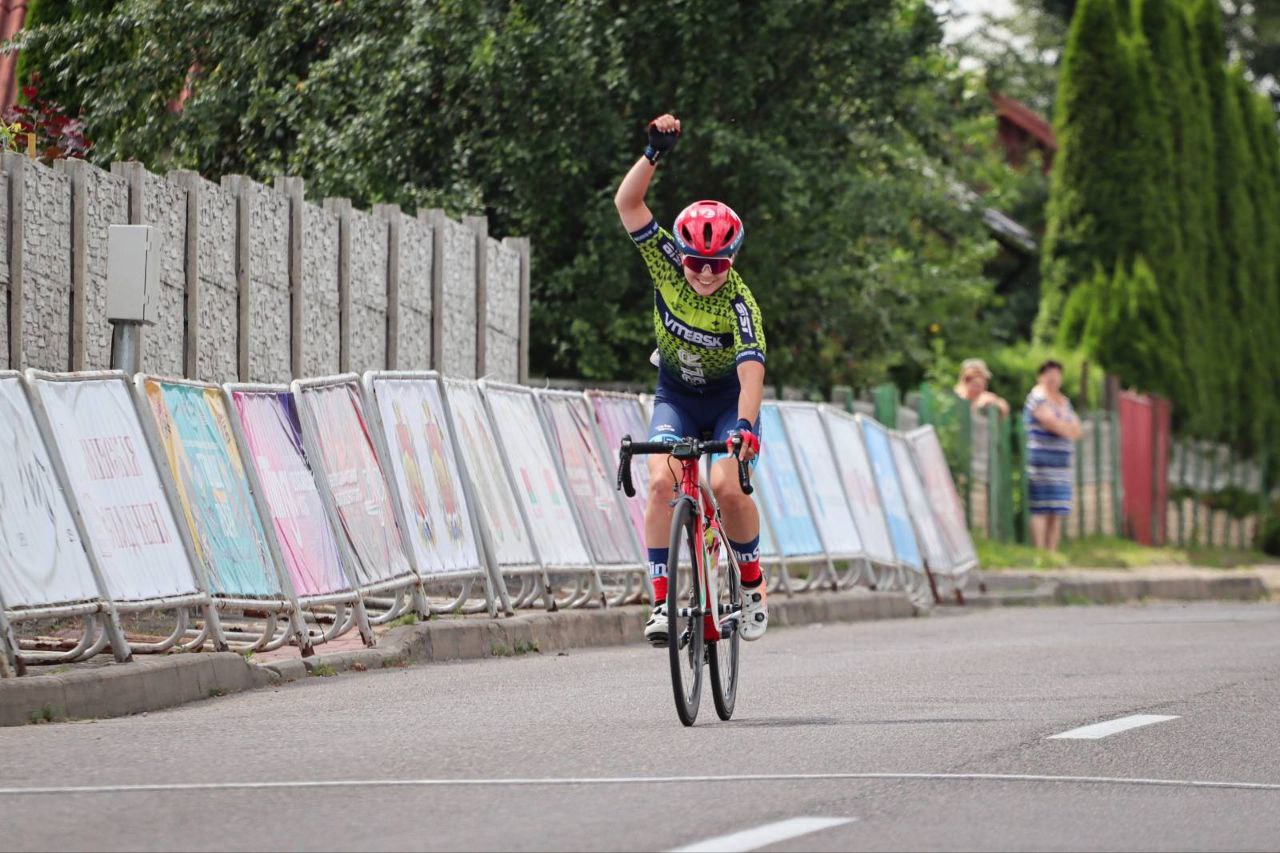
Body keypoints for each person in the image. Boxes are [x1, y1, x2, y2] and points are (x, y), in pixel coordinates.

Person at [613, 113, 769, 646]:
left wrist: (745, 425)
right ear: (683, 256)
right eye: (697, 262)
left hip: (728, 404)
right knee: (660, 483)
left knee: (725, 483)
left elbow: (752, 371)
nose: (705, 273)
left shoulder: (740, 301)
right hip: (676, 396)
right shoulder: (665, 261)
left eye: (718, 264)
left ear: (732, 260)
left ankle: (750, 581)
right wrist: (654, 154)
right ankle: (661, 603)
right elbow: (628, 205)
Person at [1024, 360, 1082, 551]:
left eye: (1057, 374)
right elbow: (1051, 423)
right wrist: (1064, 427)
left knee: (1056, 509)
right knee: (1040, 507)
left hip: (1060, 464)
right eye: (1049, 374)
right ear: (1040, 376)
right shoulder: (1037, 397)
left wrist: (1063, 427)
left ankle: (1052, 551)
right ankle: (1040, 552)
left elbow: (1077, 430)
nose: (1053, 378)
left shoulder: (1064, 401)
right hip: (1041, 461)